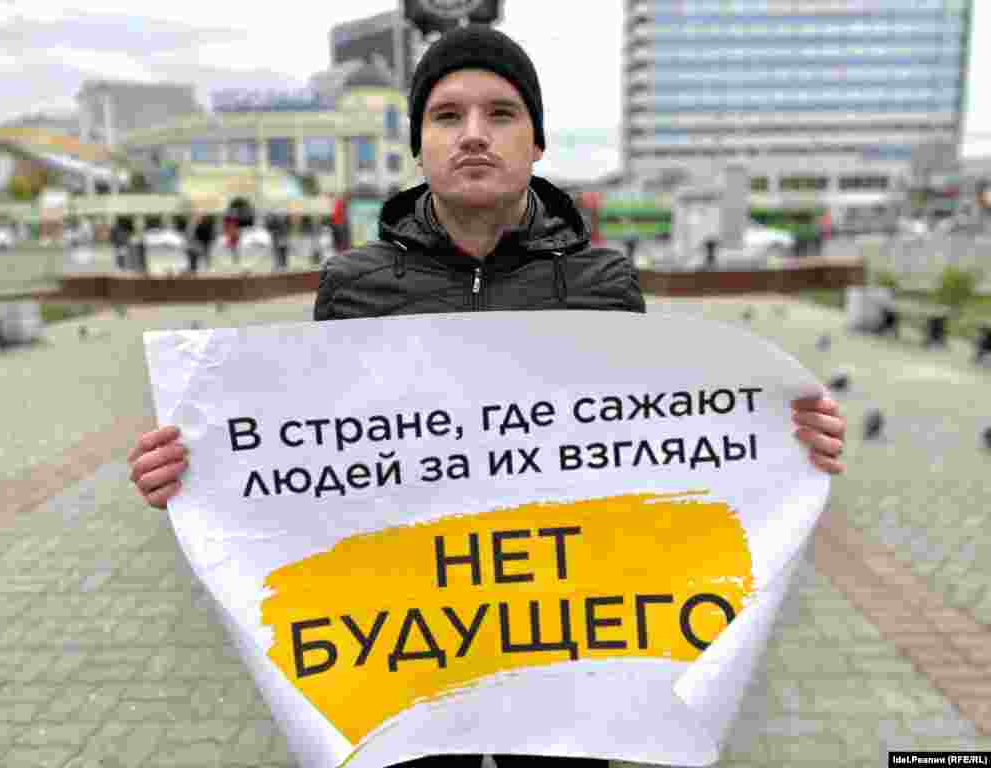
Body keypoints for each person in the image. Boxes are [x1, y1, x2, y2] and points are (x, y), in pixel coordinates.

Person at [128, 25, 846, 768]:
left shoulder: (603, 285)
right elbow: (313, 459)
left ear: (537, 142)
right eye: (447, 115)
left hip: (566, 637)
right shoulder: (352, 286)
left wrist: (782, 439)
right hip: (409, 638)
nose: (474, 134)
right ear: (419, 145)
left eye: (501, 113)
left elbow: (650, 451)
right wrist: (200, 472)